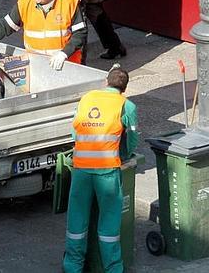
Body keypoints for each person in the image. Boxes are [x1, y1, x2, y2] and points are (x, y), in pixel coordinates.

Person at [63, 67, 138, 273]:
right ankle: (113, 269)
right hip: (107, 172)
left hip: (81, 170)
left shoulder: (87, 98)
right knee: (109, 227)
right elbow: (132, 139)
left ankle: (72, 267)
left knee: (76, 223)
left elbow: (74, 132)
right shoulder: (126, 106)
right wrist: (125, 154)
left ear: (106, 82)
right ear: (125, 88)